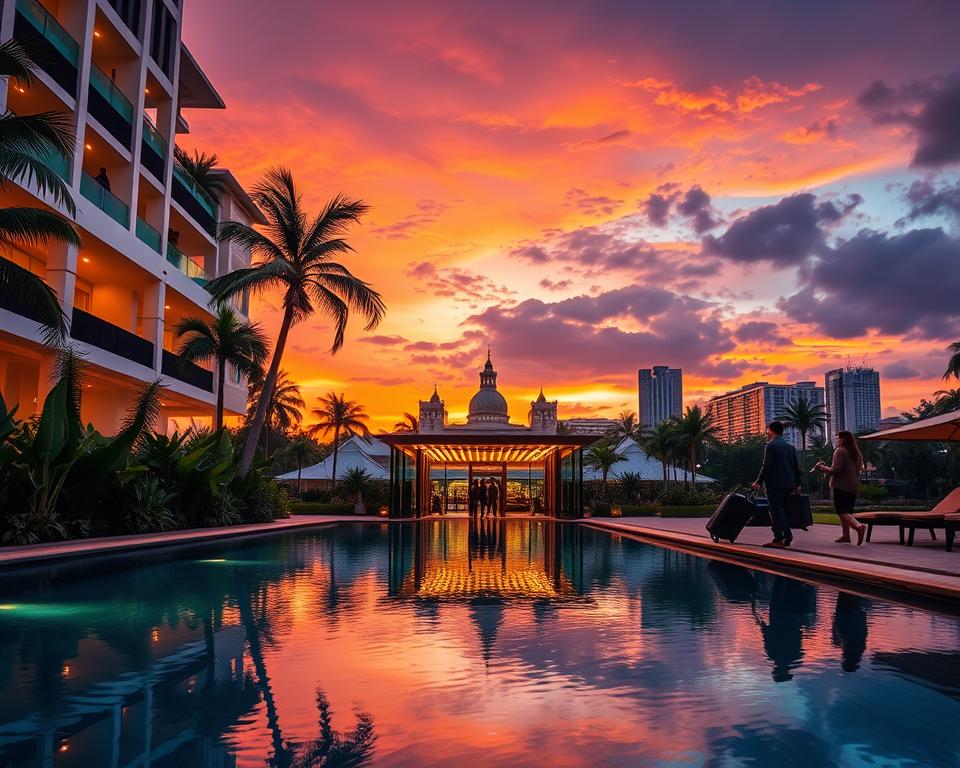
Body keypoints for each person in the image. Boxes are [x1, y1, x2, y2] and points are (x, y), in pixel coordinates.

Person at [752, 420, 802, 548]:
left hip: (775, 483)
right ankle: (782, 536)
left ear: (772, 431)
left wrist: (758, 481)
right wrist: (797, 484)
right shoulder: (790, 447)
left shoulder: (771, 446)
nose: (766, 432)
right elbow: (796, 467)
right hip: (789, 484)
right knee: (782, 510)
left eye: (767, 430)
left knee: (775, 510)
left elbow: (766, 466)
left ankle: (781, 537)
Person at [814, 430, 867, 545]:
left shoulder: (840, 451)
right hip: (853, 487)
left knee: (841, 511)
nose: (836, 440)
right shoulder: (856, 453)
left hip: (841, 485)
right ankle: (846, 535)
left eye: (838, 438)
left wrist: (822, 468)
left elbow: (835, 470)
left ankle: (858, 527)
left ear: (843, 439)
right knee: (847, 511)